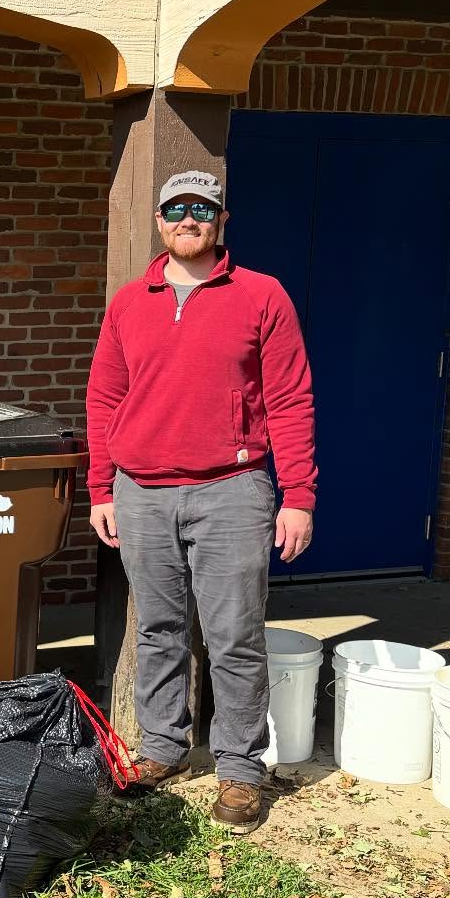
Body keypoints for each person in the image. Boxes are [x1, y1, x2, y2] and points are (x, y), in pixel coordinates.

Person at [85, 170, 316, 834]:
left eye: (202, 209)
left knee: (234, 635)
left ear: (220, 220)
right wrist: (102, 485)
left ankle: (241, 768)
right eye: (177, 209)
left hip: (232, 491)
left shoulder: (262, 296)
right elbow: (104, 398)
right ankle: (161, 746)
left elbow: (291, 399)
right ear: (160, 221)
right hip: (142, 491)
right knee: (157, 627)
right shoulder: (130, 301)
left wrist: (297, 495)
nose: (189, 219)